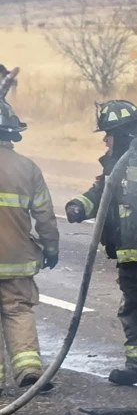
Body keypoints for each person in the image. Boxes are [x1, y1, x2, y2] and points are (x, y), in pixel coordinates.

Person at [65, 100, 137, 387]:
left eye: (109, 134)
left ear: (123, 132)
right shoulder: (113, 165)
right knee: (135, 309)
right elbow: (100, 194)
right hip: (128, 256)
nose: (105, 140)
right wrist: (78, 206)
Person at [0, 100, 59, 393]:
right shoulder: (27, 168)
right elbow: (44, 215)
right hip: (17, 260)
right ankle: (28, 369)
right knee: (18, 310)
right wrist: (51, 248)